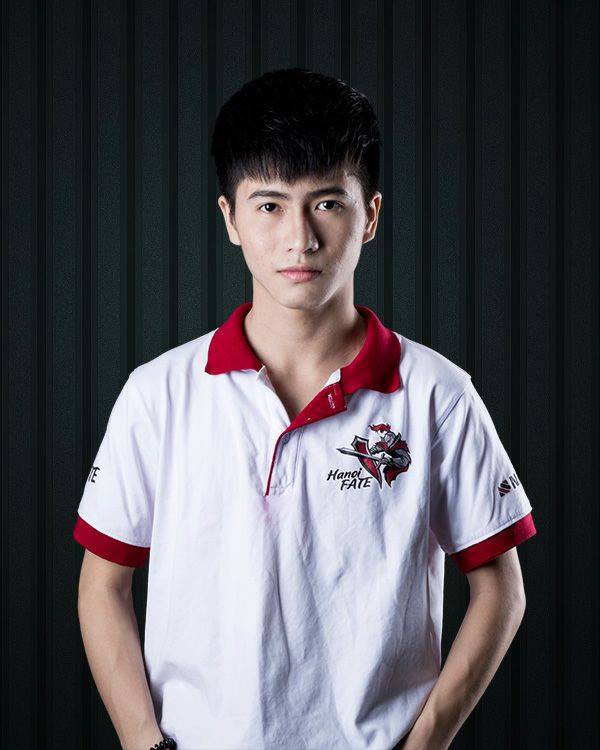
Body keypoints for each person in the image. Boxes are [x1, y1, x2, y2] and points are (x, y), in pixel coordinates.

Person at [73, 68, 537, 750]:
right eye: (269, 205)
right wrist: (145, 744)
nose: (300, 238)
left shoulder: (438, 394)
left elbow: (502, 591)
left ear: (369, 215)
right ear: (229, 218)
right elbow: (102, 586)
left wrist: (426, 743)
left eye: (326, 203)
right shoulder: (159, 393)